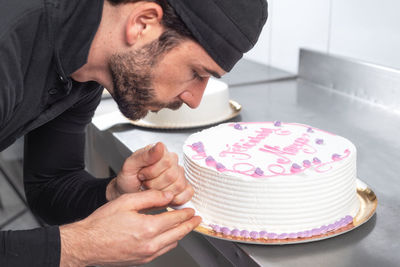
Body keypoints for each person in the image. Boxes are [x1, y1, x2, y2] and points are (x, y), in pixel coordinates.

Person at [0, 0, 268, 266]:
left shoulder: (89, 66)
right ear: (143, 23)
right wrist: (80, 246)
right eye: (196, 73)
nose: (194, 100)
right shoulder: (8, 40)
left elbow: (49, 185)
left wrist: (113, 192)